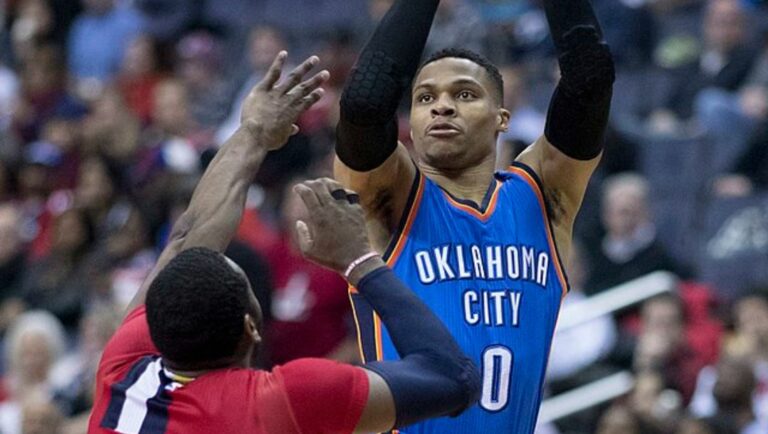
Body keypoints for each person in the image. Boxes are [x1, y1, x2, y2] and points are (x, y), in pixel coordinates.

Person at [87, 52, 480, 434]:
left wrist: (253, 133)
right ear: (250, 328)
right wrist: (359, 261)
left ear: (153, 326)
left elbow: (186, 240)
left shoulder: (122, 370)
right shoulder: (280, 400)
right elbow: (452, 376)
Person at [334, 0, 614, 432]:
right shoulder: (390, 197)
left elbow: (590, 80)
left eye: (464, 94)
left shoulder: (544, 196)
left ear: (503, 118)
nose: (441, 107)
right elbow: (365, 103)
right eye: (425, 98)